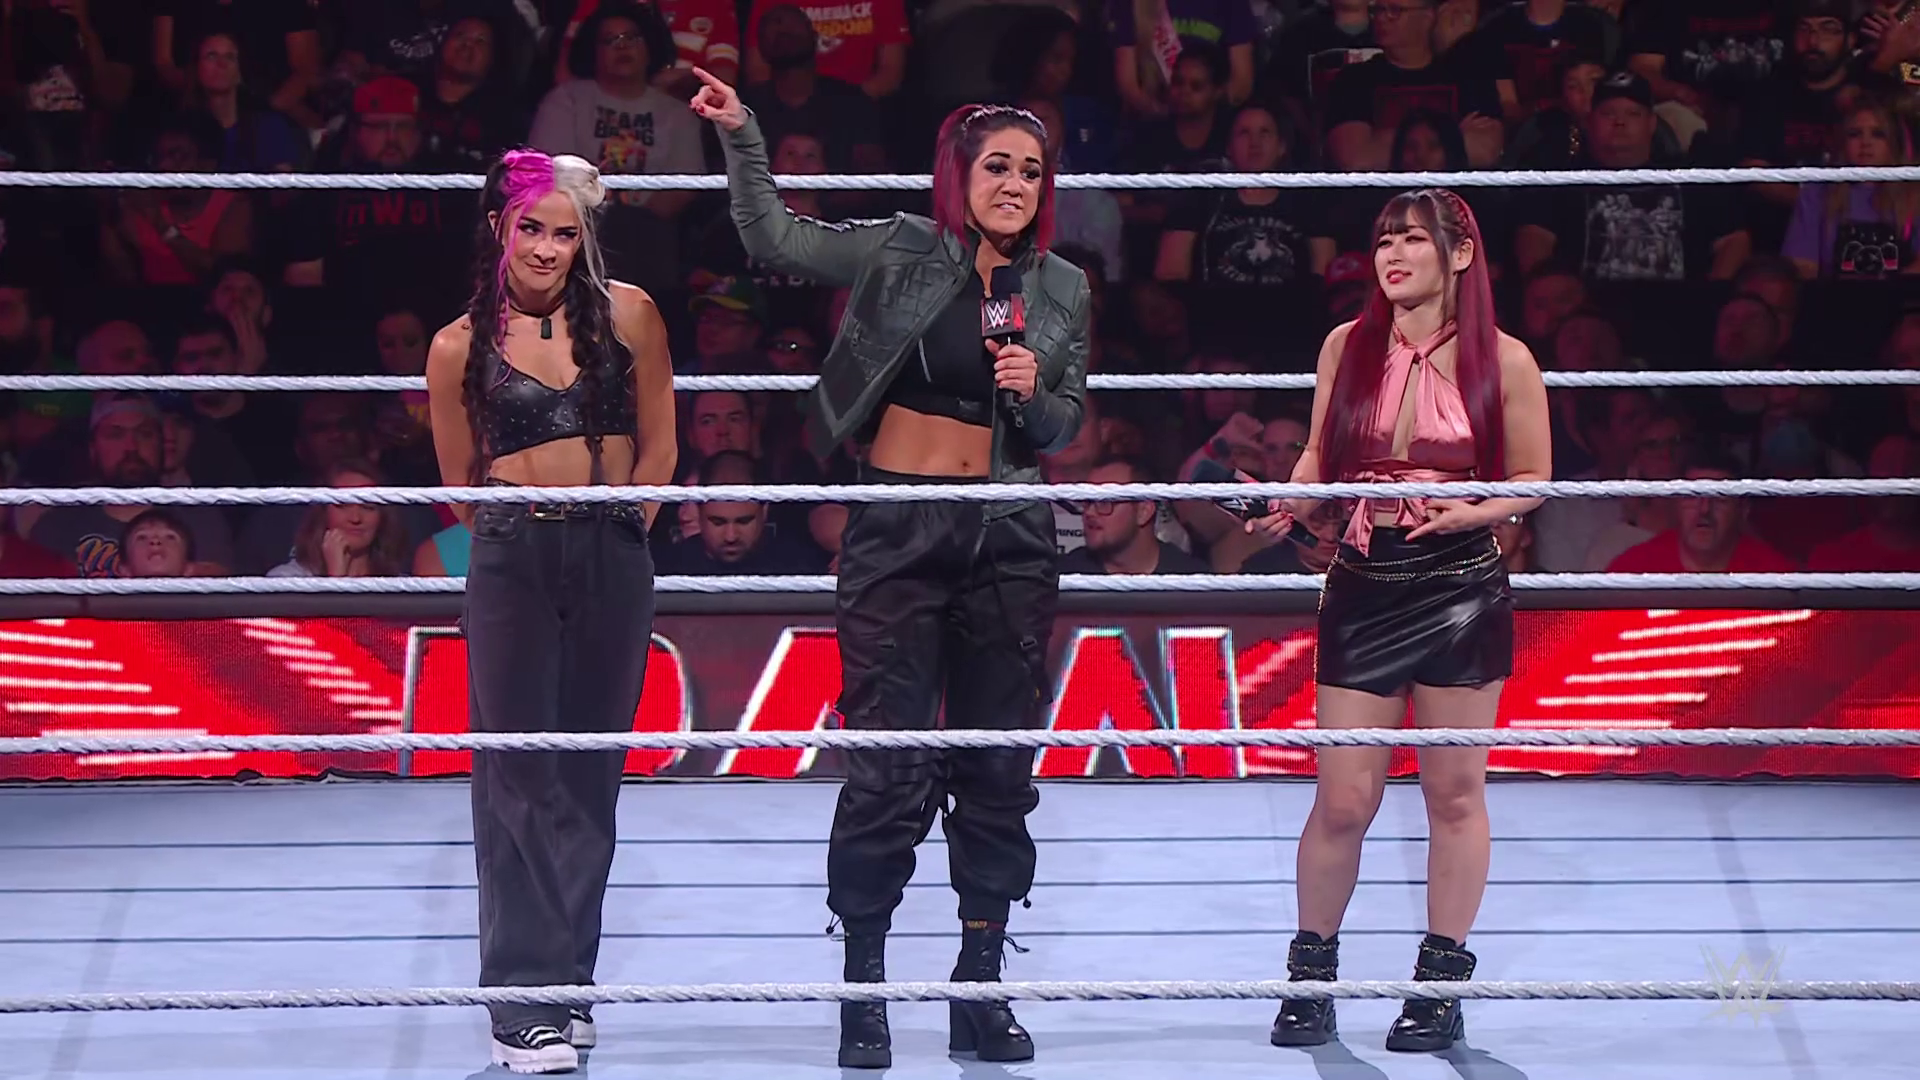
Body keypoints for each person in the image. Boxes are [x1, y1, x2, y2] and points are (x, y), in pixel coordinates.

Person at [691, 69, 1091, 1068]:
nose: (1015, 184)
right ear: (960, 174)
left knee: (997, 767)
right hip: (900, 528)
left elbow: (1062, 426)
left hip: (1009, 532)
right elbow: (775, 240)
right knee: (888, 765)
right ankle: (863, 989)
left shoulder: (1062, 287)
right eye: (997, 167)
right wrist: (743, 134)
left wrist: (1034, 390)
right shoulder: (901, 247)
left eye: (1031, 171)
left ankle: (979, 985)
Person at [1247, 189, 1551, 1053]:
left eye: (1412, 239)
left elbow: (1533, 479)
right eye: (1384, 240)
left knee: (1453, 794)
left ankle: (1439, 986)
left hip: (1458, 583)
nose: (1392, 255)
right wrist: (1292, 500)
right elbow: (1319, 451)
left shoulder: (1506, 359)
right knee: (1344, 798)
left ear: (1459, 254)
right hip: (1364, 578)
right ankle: (1310, 981)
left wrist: (1473, 510)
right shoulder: (1345, 345)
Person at [423, 148, 678, 1074]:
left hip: (612, 548)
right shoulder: (457, 344)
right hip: (512, 552)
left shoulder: (631, 314)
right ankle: (520, 999)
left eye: (564, 233)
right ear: (501, 227)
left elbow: (661, 445)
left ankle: (567, 979)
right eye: (531, 228)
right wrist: (518, 537)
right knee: (519, 774)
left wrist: (623, 531)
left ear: (584, 239)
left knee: (589, 774)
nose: (545, 248)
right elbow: (458, 481)